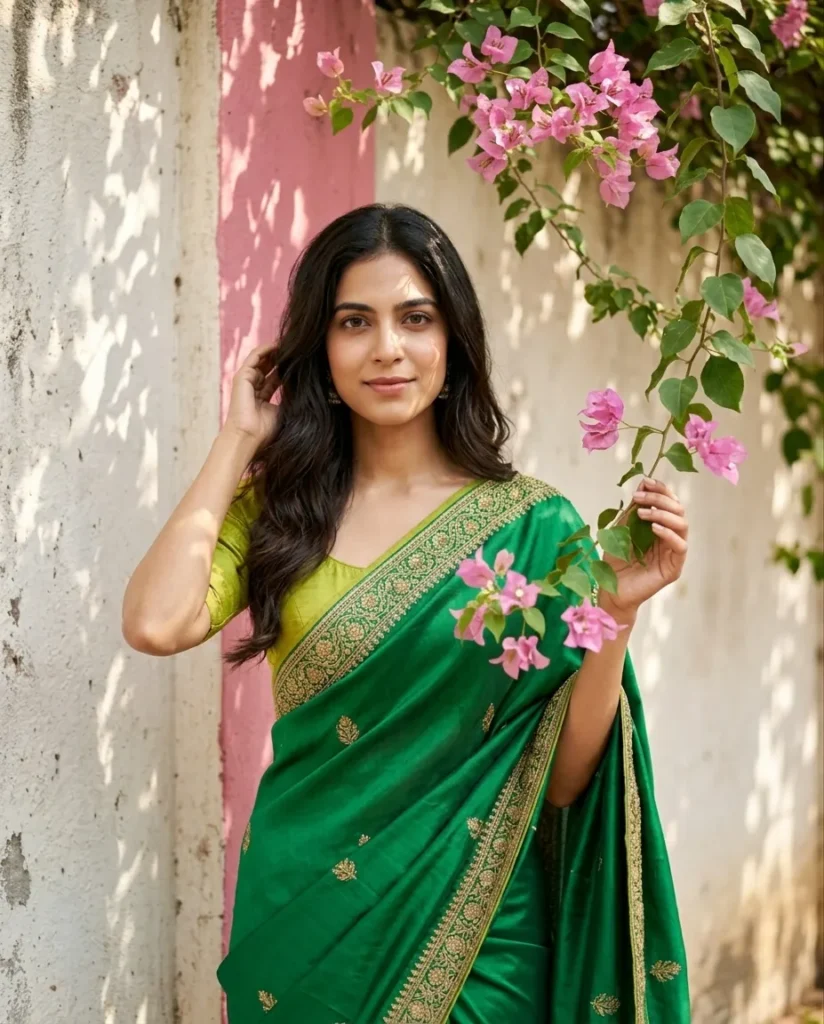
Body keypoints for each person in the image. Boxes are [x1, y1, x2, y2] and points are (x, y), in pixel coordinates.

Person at [122, 204, 691, 1023]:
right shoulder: (284, 514)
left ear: (452, 342)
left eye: (415, 318)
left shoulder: (534, 528)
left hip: (483, 934)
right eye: (355, 322)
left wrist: (612, 617)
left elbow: (566, 783)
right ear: (320, 347)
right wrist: (238, 442)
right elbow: (155, 623)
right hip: (306, 917)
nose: (387, 348)